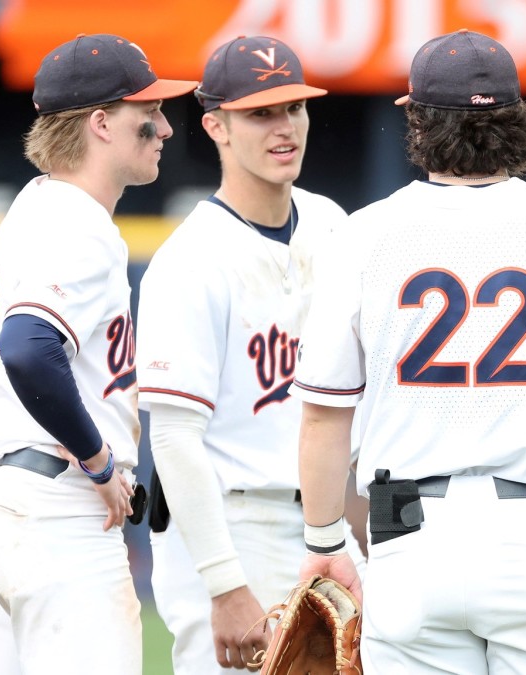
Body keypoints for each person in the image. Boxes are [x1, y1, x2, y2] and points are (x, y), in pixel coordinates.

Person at [291, 29, 526, 673]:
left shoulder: (360, 236)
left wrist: (323, 540)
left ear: (414, 117)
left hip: (408, 534)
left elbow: (323, 416)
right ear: (520, 117)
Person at [0, 33, 196, 675]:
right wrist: (100, 461)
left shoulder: (35, 205)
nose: (164, 126)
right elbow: (27, 350)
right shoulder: (81, 227)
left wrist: (10, 414)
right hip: (60, 513)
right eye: (149, 113)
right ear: (100, 123)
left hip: (6, 507)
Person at [133, 35, 366, 674]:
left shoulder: (332, 226)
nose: (283, 126)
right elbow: (174, 440)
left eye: (293, 107)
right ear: (216, 126)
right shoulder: (189, 259)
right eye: (260, 113)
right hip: (233, 522)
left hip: (325, 525)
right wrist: (225, 586)